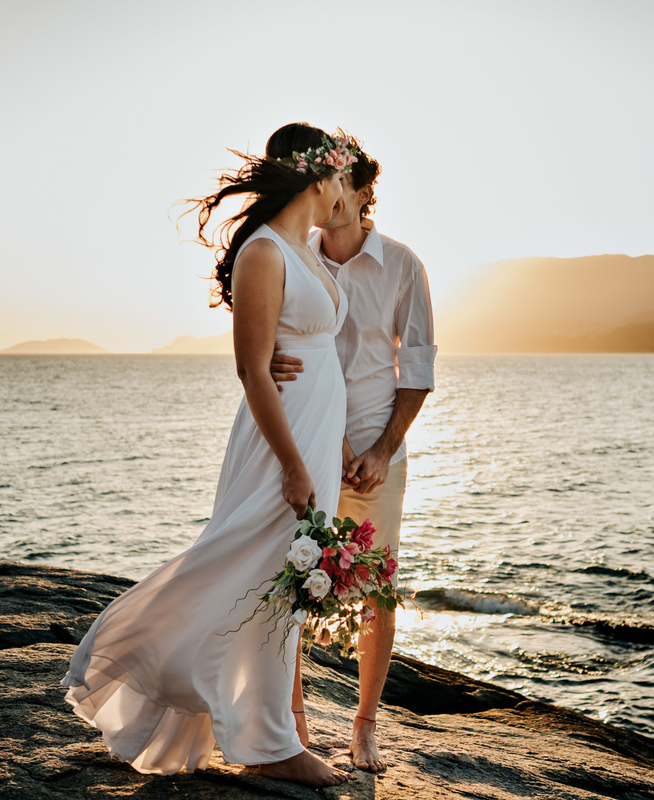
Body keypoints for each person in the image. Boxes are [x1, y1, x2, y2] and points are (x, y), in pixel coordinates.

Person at [61, 123, 358, 789]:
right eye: (341, 176)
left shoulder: (307, 250)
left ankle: (266, 732)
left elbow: (308, 350)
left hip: (312, 435)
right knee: (247, 566)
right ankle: (245, 727)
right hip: (280, 443)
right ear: (319, 177)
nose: (346, 191)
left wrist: (329, 444)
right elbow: (253, 370)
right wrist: (292, 464)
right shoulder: (263, 251)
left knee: (282, 586)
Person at [271, 135, 436, 773]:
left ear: (366, 194)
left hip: (376, 449)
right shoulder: (296, 255)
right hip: (309, 438)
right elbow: (278, 336)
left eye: (347, 182)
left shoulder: (402, 265)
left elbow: (417, 368)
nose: (334, 194)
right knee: (291, 582)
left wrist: (381, 449)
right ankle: (295, 720)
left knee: (377, 588)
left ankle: (365, 725)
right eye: (329, 179)